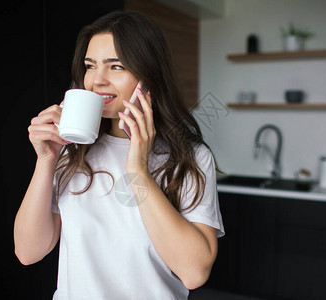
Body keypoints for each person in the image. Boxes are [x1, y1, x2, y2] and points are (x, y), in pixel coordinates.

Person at [14, 10, 224, 299]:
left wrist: (138, 170)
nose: (97, 80)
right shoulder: (71, 152)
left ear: (149, 74)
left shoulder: (191, 158)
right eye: (90, 66)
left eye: (116, 67)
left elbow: (194, 273)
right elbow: (28, 252)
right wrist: (46, 161)